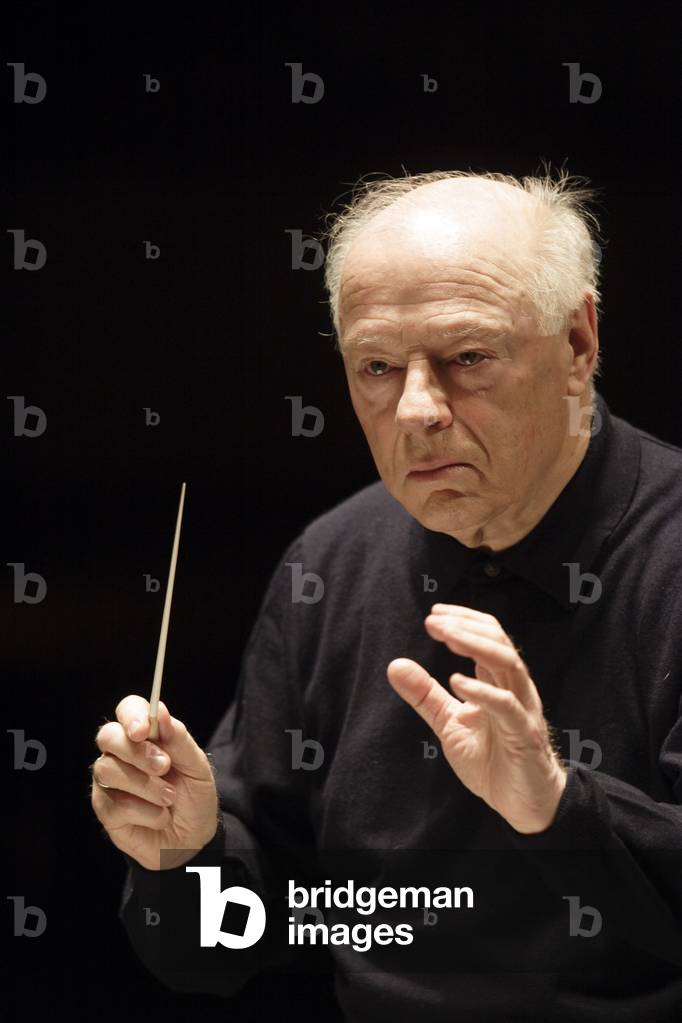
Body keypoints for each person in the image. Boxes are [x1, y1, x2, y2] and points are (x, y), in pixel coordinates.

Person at [90, 169, 682, 1020]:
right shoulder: (330, 562)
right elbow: (232, 948)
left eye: (467, 357)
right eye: (375, 366)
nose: (415, 408)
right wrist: (187, 861)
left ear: (578, 343)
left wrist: (556, 802)